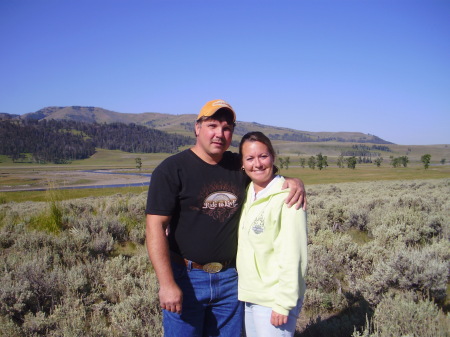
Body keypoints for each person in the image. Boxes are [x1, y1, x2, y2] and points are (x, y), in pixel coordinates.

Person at [145, 99, 306, 337]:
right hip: (188, 279)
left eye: (226, 127)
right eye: (212, 125)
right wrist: (167, 285)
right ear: (197, 128)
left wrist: (292, 181)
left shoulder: (237, 165)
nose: (219, 133)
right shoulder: (171, 170)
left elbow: (264, 173)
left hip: (232, 282)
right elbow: (154, 227)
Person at [237, 131, 308, 337]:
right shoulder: (248, 192)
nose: (257, 164)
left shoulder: (288, 196)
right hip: (250, 295)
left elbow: (294, 253)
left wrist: (284, 303)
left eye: (263, 156)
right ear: (242, 164)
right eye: (250, 158)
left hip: (273, 300)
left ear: (273, 157)